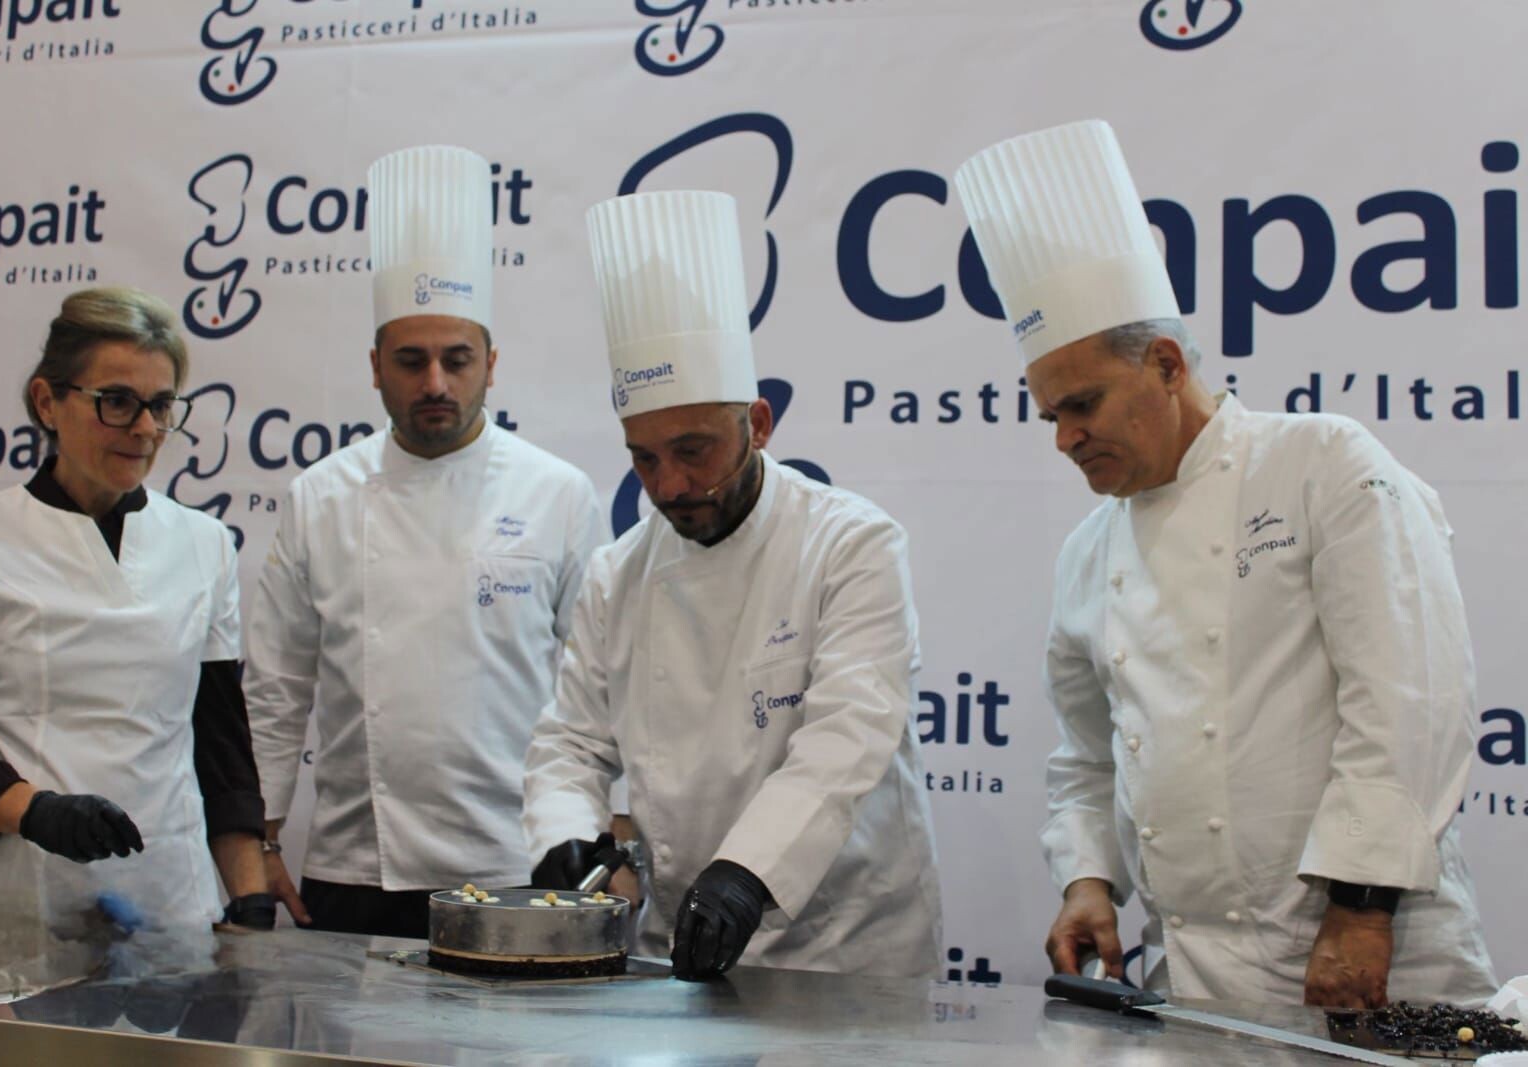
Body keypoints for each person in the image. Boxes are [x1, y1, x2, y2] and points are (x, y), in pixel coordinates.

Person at [954, 119, 1498, 1006]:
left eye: (1083, 405)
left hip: (1376, 948)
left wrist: (1362, 907)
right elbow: (1088, 754)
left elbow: (1408, 696)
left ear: (1167, 364)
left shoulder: (1323, 464)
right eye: (1050, 416)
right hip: (1196, 971)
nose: (1064, 438)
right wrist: (1088, 879)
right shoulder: (1089, 552)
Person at [523, 189, 943, 981]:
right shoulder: (618, 574)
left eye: (694, 450)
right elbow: (571, 741)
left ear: (758, 424)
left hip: (844, 948)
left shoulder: (850, 544)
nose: (670, 485)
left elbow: (846, 736)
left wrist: (748, 872)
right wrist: (565, 835)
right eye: (644, 458)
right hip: (681, 949)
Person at [244, 145, 603, 939]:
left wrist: (607, 833)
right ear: (375, 367)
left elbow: (599, 690)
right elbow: (276, 687)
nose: (435, 382)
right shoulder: (320, 497)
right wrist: (259, 838)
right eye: (411, 360)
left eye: (456, 359)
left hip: (518, 860)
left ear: (492, 365)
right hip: (355, 866)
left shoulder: (559, 493)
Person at [0, 287, 272, 1000]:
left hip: (168, 900)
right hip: (15, 900)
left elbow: (221, 746)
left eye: (161, 405)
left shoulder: (204, 544)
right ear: (47, 401)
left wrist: (249, 896)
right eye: (117, 401)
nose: (144, 428)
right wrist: (38, 812)